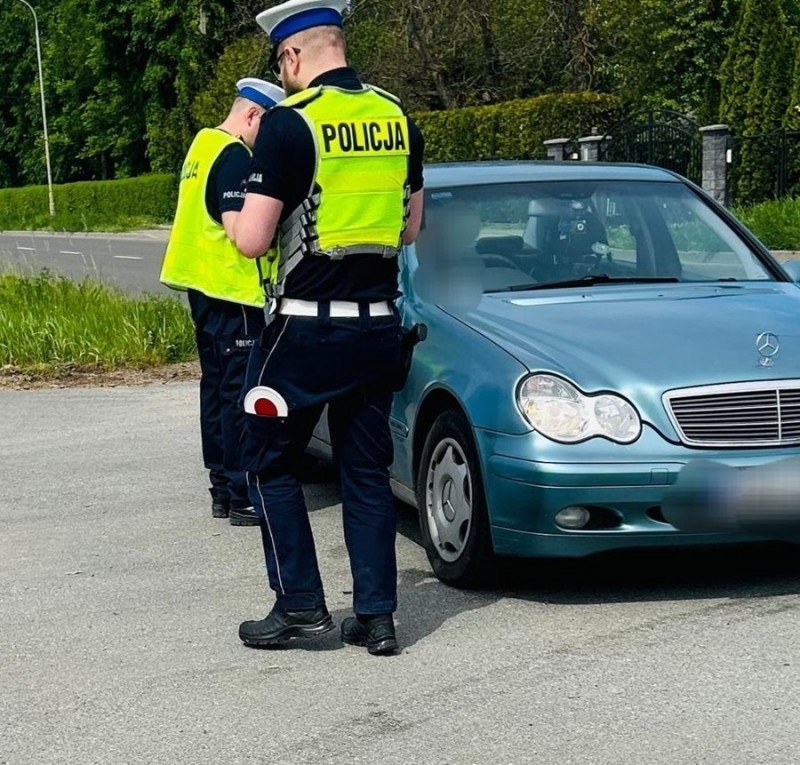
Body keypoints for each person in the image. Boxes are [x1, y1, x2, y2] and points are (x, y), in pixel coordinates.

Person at [232, 0, 425, 655]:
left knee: (266, 460)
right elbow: (409, 226)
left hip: (305, 334)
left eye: (280, 65)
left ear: (291, 57)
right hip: (377, 329)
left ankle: (301, 608)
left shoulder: (290, 125)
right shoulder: (396, 116)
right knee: (365, 470)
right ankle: (376, 617)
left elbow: (254, 241)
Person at [160, 78, 285, 526]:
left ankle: (220, 489)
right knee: (237, 397)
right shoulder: (234, 157)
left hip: (203, 290)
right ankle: (241, 493)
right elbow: (238, 231)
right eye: (266, 128)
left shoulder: (202, 146)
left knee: (214, 392)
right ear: (252, 115)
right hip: (232, 294)